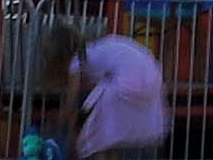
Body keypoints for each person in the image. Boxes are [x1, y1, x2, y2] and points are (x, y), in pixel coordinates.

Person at [64, 24, 168, 159]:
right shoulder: (99, 47)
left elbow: (71, 101)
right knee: (110, 135)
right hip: (152, 76)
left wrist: (63, 122)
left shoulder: (78, 59)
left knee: (95, 136)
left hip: (127, 82)